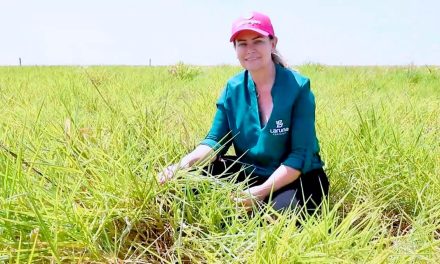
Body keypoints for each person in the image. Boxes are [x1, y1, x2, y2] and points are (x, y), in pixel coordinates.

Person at [158, 11, 329, 213]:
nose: (250, 49)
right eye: (242, 43)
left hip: (296, 175)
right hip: (252, 170)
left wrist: (261, 192)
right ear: (235, 48)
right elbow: (214, 143)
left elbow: (300, 155)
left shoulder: (298, 88)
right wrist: (179, 166)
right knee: (180, 184)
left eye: (258, 41)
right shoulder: (234, 88)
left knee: (277, 217)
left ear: (272, 43)